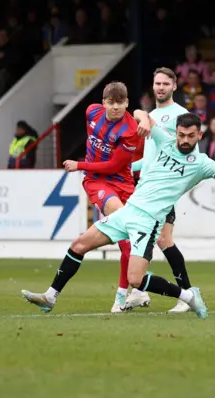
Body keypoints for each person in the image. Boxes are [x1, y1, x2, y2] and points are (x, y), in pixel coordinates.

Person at [21, 113, 215, 316]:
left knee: (136, 279)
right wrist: (146, 121)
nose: (184, 140)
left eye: (191, 136)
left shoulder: (201, 163)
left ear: (199, 136)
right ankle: (50, 297)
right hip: (128, 212)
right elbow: (139, 113)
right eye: (181, 135)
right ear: (176, 132)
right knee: (79, 244)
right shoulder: (166, 141)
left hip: (148, 222)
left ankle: (188, 295)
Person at [61, 82, 139, 313]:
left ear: (127, 103)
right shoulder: (91, 112)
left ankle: (134, 290)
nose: (115, 107)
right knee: (125, 235)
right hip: (98, 182)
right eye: (111, 102)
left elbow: (114, 165)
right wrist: (86, 168)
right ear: (103, 102)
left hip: (123, 183)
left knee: (134, 242)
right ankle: (121, 298)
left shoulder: (130, 130)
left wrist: (79, 164)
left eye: (120, 103)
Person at [128, 67, 200, 313]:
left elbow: (191, 154)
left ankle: (184, 294)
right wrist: (129, 166)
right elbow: (150, 157)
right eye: (157, 83)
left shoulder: (181, 115)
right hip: (145, 187)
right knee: (159, 239)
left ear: (174, 86)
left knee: (161, 239)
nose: (160, 87)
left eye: (165, 84)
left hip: (161, 190)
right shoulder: (151, 115)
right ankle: (144, 291)